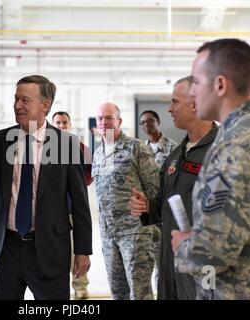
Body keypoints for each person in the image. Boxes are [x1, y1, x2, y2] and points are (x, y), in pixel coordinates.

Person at [171, 39, 250, 299]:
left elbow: (214, 251)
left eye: (197, 83)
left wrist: (184, 245)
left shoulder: (237, 145)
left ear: (220, 85)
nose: (192, 93)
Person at [0, 75, 93, 300]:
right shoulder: (0, 141)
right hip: (6, 250)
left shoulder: (66, 144)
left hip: (49, 250)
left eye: (25, 100)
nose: (17, 105)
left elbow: (80, 203)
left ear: (45, 105)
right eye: (16, 99)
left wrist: (82, 250)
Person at [130, 76, 218, 300]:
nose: (169, 109)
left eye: (175, 102)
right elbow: (163, 204)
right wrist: (146, 206)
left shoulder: (222, 151)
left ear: (196, 104)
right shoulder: (175, 155)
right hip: (170, 259)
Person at [92, 102, 159, 300]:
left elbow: (155, 191)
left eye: (109, 118)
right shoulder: (98, 153)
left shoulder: (136, 148)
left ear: (119, 121)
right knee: (117, 292)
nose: (104, 122)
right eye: (100, 119)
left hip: (135, 234)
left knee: (140, 293)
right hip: (108, 235)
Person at [52, 111, 93, 299]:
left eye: (64, 122)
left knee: (78, 250)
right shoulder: (45, 149)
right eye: (58, 123)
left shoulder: (80, 148)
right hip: (51, 213)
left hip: (72, 210)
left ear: (69, 125)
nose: (61, 126)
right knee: (56, 254)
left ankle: (80, 285)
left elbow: (89, 176)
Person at [139, 109, 178, 296]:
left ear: (158, 121)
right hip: (147, 217)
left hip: (165, 215)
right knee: (146, 264)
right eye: (143, 123)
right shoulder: (141, 149)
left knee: (164, 265)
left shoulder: (173, 149)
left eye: (150, 121)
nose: (147, 125)